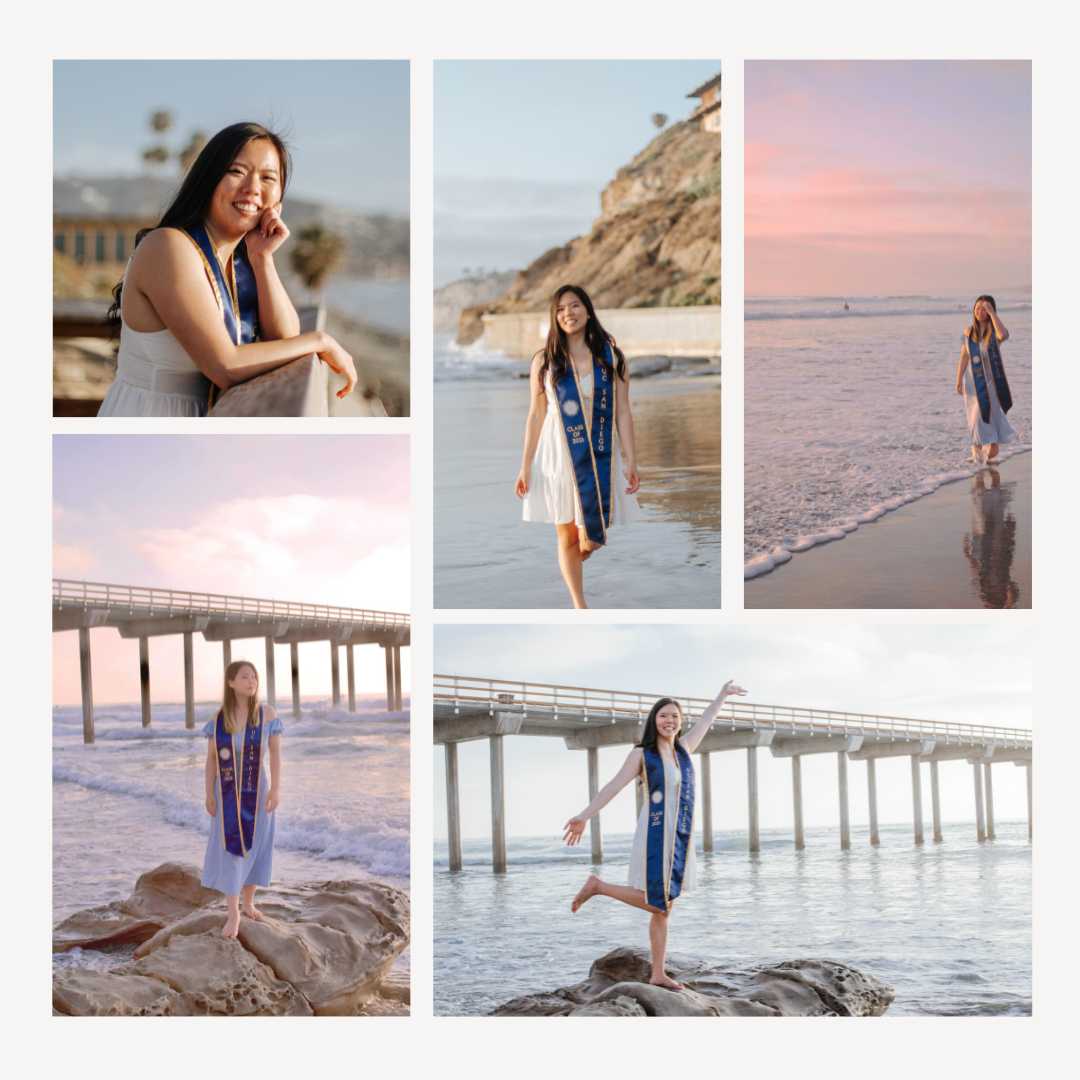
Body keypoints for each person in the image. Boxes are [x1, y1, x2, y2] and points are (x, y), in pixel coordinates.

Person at [98, 121, 357, 416]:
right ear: (209, 178)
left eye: (268, 178)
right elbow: (225, 365)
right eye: (237, 172)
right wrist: (320, 340)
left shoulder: (237, 261)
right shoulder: (169, 247)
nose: (252, 189)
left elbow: (284, 340)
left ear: (279, 198)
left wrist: (262, 258)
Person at [564, 680, 748, 988]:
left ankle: (658, 973)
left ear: (680, 721)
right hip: (655, 833)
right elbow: (613, 786)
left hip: (680, 835)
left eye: (675, 716)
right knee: (659, 903)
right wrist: (584, 816)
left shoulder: (683, 750)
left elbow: (708, 719)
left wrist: (723, 695)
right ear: (654, 720)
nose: (669, 721)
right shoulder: (641, 754)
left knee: (666, 907)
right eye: (663, 715)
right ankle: (598, 886)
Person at [515, 285, 641, 609]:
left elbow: (623, 411)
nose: (567, 313)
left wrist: (632, 460)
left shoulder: (611, 358)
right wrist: (525, 464)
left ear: (588, 310)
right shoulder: (545, 361)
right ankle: (579, 606)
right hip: (558, 452)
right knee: (565, 533)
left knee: (590, 538)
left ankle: (592, 538)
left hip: (598, 449)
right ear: (554, 317)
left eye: (574, 306)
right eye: (560, 309)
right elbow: (536, 413)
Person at [202, 660, 282, 938]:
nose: (251, 681)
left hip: (258, 788)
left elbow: (275, 755)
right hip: (226, 790)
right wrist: (208, 792)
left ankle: (248, 903)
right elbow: (212, 758)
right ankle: (233, 913)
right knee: (231, 849)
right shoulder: (219, 718)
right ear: (231, 682)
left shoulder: (267, 714)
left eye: (254, 677)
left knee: (257, 845)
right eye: (245, 677)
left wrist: (276, 789)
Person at [955, 295, 1013, 464]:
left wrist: (993, 313)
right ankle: (979, 455)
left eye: (985, 308)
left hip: (991, 382)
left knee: (984, 414)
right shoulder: (969, 331)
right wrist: (958, 379)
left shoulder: (995, 331)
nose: (981, 311)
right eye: (978, 307)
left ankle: (984, 452)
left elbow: (1004, 335)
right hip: (972, 382)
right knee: (974, 416)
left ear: (991, 310)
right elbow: (965, 355)